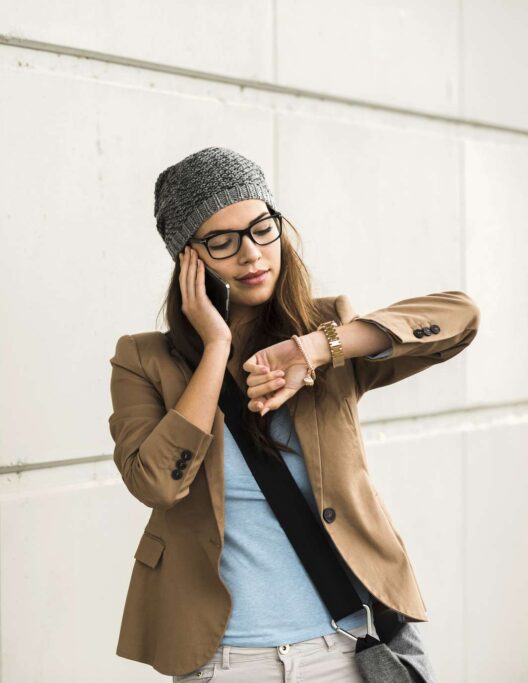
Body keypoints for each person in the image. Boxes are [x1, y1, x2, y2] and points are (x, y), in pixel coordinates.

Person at [109, 147, 478, 681]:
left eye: (262, 228)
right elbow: (157, 484)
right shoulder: (145, 359)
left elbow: (460, 318)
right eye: (221, 240)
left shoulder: (328, 333)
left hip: (349, 648)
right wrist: (214, 350)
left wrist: (314, 350)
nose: (252, 254)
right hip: (226, 661)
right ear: (187, 258)